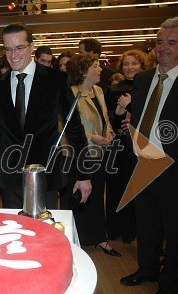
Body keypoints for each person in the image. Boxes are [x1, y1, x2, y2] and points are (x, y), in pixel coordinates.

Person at [119, 17, 178, 294]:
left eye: (172, 42)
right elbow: (141, 118)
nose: (163, 48)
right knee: (147, 223)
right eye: (159, 42)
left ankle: (171, 285)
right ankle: (147, 270)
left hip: (176, 169)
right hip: (142, 162)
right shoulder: (142, 79)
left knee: (176, 229)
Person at [0, 23, 91, 210]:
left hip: (45, 174)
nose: (13, 55)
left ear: (31, 46)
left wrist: (83, 174)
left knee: (45, 231)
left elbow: (74, 127)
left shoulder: (55, 80)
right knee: (14, 232)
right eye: (8, 49)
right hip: (10, 176)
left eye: (19, 48)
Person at [66, 53, 119, 256]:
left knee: (97, 196)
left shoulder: (98, 91)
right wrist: (91, 137)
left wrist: (109, 133)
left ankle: (99, 238)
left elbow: (105, 119)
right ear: (82, 70)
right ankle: (77, 242)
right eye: (96, 66)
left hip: (100, 152)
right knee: (80, 198)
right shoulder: (71, 93)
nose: (100, 70)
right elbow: (64, 126)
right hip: (79, 154)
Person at [104, 49, 148, 244]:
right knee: (115, 187)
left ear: (142, 65)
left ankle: (134, 229)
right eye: (126, 64)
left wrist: (130, 106)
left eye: (134, 63)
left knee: (137, 187)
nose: (130, 67)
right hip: (118, 145)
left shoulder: (148, 87)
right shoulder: (114, 89)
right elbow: (108, 119)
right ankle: (114, 228)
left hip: (141, 147)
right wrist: (120, 110)